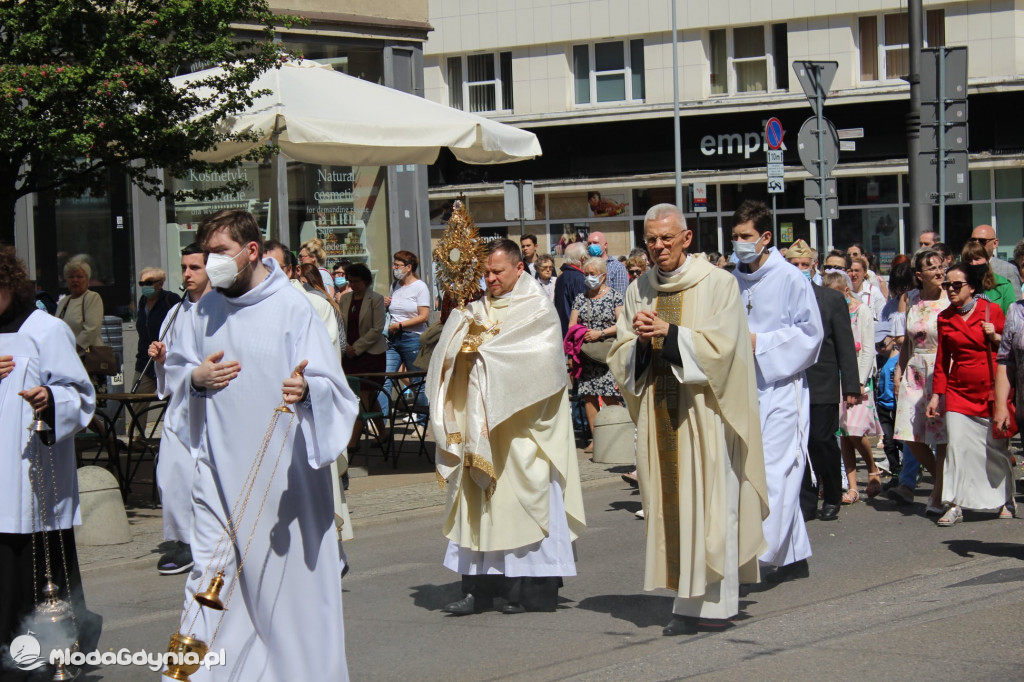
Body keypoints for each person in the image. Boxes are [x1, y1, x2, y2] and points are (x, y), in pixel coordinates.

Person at [162, 209, 358, 680]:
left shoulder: (293, 308)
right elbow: (177, 374)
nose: (211, 262)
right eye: (206, 253)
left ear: (251, 251)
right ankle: (189, 675)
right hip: (216, 474)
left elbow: (335, 391)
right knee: (206, 580)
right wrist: (195, 378)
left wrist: (307, 391)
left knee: (287, 594)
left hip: (282, 481)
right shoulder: (202, 310)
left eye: (220, 252)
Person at [608, 204, 768, 636]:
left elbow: (726, 349)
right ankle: (684, 602)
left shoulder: (718, 284)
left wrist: (670, 334)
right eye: (651, 239)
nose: (658, 247)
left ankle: (716, 606)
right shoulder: (638, 289)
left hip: (706, 415)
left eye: (666, 238)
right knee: (674, 508)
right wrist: (641, 344)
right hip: (661, 410)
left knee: (712, 505)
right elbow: (621, 353)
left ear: (686, 238)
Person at [427, 239, 585, 615]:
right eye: (486, 272)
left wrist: (484, 356)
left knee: (524, 504)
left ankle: (528, 591)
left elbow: (541, 364)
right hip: (479, 428)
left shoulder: (537, 309)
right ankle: (478, 590)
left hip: (522, 429)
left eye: (498, 271)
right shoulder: (473, 309)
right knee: (478, 507)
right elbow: (442, 358)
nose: (491, 279)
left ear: (518, 268)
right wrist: (457, 348)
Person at [0, 245, 102, 660]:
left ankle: (45, 652)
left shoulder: (45, 329)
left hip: (28, 476)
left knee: (31, 571)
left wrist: (50, 397)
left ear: (10, 283)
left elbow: (80, 395)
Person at [731, 199, 822, 584]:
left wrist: (760, 343)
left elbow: (811, 335)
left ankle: (758, 556)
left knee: (775, 473)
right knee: (748, 473)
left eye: (746, 236)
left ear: (766, 237)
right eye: (735, 236)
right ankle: (793, 556)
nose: (739, 243)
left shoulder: (790, 279)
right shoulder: (732, 280)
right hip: (743, 388)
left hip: (783, 388)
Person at [927, 262, 1013, 525]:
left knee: (994, 449)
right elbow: (942, 360)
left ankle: (1005, 498)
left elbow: (1010, 349)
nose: (951, 290)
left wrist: (995, 335)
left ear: (972, 287)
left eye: (957, 285)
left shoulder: (991, 310)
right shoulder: (945, 317)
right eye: (947, 285)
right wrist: (936, 395)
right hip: (958, 392)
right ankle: (955, 504)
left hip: (990, 390)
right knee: (956, 447)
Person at [148, 244, 210, 576]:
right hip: (182, 404)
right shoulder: (175, 312)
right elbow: (169, 365)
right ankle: (183, 539)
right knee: (171, 471)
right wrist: (161, 358)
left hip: (213, 404)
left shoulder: (223, 309)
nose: (187, 274)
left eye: (194, 267)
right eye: (184, 267)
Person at [788, 242, 860, 522]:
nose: (800, 269)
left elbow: (844, 343)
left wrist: (851, 385)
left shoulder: (830, 300)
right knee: (797, 445)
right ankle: (805, 501)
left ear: (814, 267)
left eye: (804, 265)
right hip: (790, 383)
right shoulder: (781, 298)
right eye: (794, 265)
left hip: (822, 382)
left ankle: (831, 493)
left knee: (821, 440)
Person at [890, 249, 948, 513]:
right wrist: (899, 370)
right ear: (919, 274)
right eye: (932, 268)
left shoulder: (949, 299)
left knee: (940, 434)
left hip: (942, 367)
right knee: (908, 433)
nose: (938, 272)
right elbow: (906, 341)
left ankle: (940, 490)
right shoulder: (912, 298)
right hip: (915, 368)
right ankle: (941, 480)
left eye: (940, 266)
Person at [822, 271, 884, 503]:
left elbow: (868, 348)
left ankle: (872, 467)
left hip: (857, 377)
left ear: (846, 291)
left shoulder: (862, 311)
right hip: (836, 376)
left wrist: (859, 382)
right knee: (844, 433)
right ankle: (853, 486)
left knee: (855, 430)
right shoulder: (831, 312)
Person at [568, 257, 623, 453]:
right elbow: (572, 325)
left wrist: (600, 333)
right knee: (589, 396)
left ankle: (618, 438)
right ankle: (596, 439)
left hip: (608, 353)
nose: (589, 277)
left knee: (610, 395)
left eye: (593, 274)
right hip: (587, 354)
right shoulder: (580, 298)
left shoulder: (615, 296)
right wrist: (580, 338)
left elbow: (622, 324)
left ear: (603, 276)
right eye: (586, 274)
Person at [339, 263, 388, 444]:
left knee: (364, 394)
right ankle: (383, 433)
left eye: (356, 281)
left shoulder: (376, 299)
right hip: (350, 355)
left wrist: (357, 348)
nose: (353, 285)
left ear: (366, 281)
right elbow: (340, 325)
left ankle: (353, 440)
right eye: (350, 281)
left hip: (371, 355)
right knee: (367, 395)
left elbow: (377, 329)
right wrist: (346, 347)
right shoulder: (345, 299)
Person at [265, 241, 341, 355]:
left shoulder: (317, 304)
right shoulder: (247, 306)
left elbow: (328, 352)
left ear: (290, 270)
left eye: (275, 268)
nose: (268, 274)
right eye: (262, 268)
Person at [133, 266, 181, 435]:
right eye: (142, 283)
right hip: (144, 361)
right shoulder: (142, 302)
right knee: (137, 402)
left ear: (160, 284)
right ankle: (137, 438)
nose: (144, 286)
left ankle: (173, 435)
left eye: (149, 282)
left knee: (172, 401)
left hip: (166, 360)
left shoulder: (171, 300)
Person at [384, 250, 430, 417]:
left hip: (412, 338)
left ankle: (423, 419)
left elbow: (424, 316)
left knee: (417, 381)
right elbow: (393, 311)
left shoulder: (420, 287)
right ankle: (381, 419)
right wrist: (386, 304)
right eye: (394, 264)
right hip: (393, 339)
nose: (394, 268)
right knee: (385, 378)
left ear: (408, 267)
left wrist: (400, 325)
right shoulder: (395, 286)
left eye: (398, 265)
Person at [55, 259, 103, 356]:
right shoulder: (64, 302)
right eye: (71, 277)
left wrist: (73, 349)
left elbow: (91, 330)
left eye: (79, 276)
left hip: (86, 356)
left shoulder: (92, 297)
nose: (75, 280)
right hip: (65, 355)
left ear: (87, 280)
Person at [961, 240, 1016, 313]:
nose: (973, 263)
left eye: (977, 259)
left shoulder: (1003, 285)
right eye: (969, 260)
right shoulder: (959, 286)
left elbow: (1010, 315)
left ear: (986, 260)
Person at [970, 224, 1022, 295]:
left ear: (995, 243)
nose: (977, 244)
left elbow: (1016, 299)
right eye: (973, 241)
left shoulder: (1008, 269)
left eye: (982, 241)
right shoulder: (963, 268)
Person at [553, 241, 588, 338]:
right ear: (582, 258)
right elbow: (583, 308)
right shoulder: (579, 278)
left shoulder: (561, 276)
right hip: (575, 332)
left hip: (563, 329)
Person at [586, 231, 629, 297]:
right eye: (589, 243)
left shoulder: (617, 267)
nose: (592, 246)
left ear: (605, 245)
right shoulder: (586, 267)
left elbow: (621, 296)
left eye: (595, 243)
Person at [848, 255, 885, 321]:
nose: (853, 274)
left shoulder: (874, 292)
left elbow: (882, 317)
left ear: (864, 272)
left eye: (857, 270)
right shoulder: (844, 292)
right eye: (851, 271)